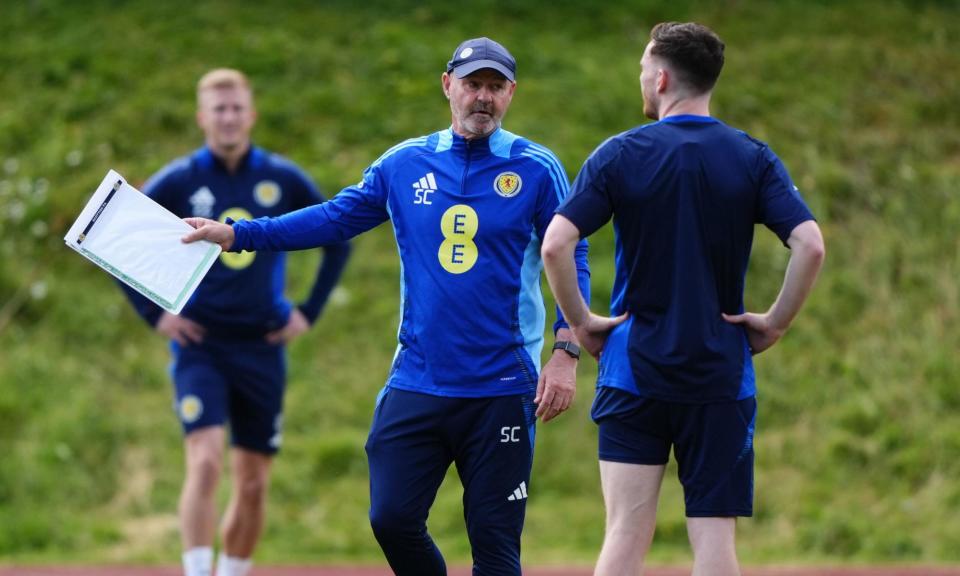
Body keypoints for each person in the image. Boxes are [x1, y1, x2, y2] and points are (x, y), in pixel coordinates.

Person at [180, 38, 591, 575]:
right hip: (418, 379)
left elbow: (572, 253)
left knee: (495, 547)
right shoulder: (405, 163)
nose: (482, 98)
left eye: (495, 87)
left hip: (501, 387)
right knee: (391, 518)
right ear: (449, 86)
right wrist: (238, 234)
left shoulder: (536, 168)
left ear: (511, 93)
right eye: (473, 84)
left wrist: (566, 349)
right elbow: (333, 217)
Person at [541, 22, 825, 576]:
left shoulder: (620, 153)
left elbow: (556, 244)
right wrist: (775, 323)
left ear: (663, 76)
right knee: (715, 542)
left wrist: (580, 324)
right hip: (720, 374)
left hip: (633, 372)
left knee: (624, 533)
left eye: (644, 70)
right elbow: (810, 245)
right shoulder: (752, 157)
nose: (641, 80)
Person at [120, 68, 351, 576]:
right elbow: (122, 235)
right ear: (203, 117)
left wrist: (307, 312)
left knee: (252, 482)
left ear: (252, 114)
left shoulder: (282, 178)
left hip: (263, 345)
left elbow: (338, 234)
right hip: (201, 343)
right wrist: (153, 313)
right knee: (204, 462)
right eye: (218, 109)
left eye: (237, 108)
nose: (228, 117)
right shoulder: (180, 179)